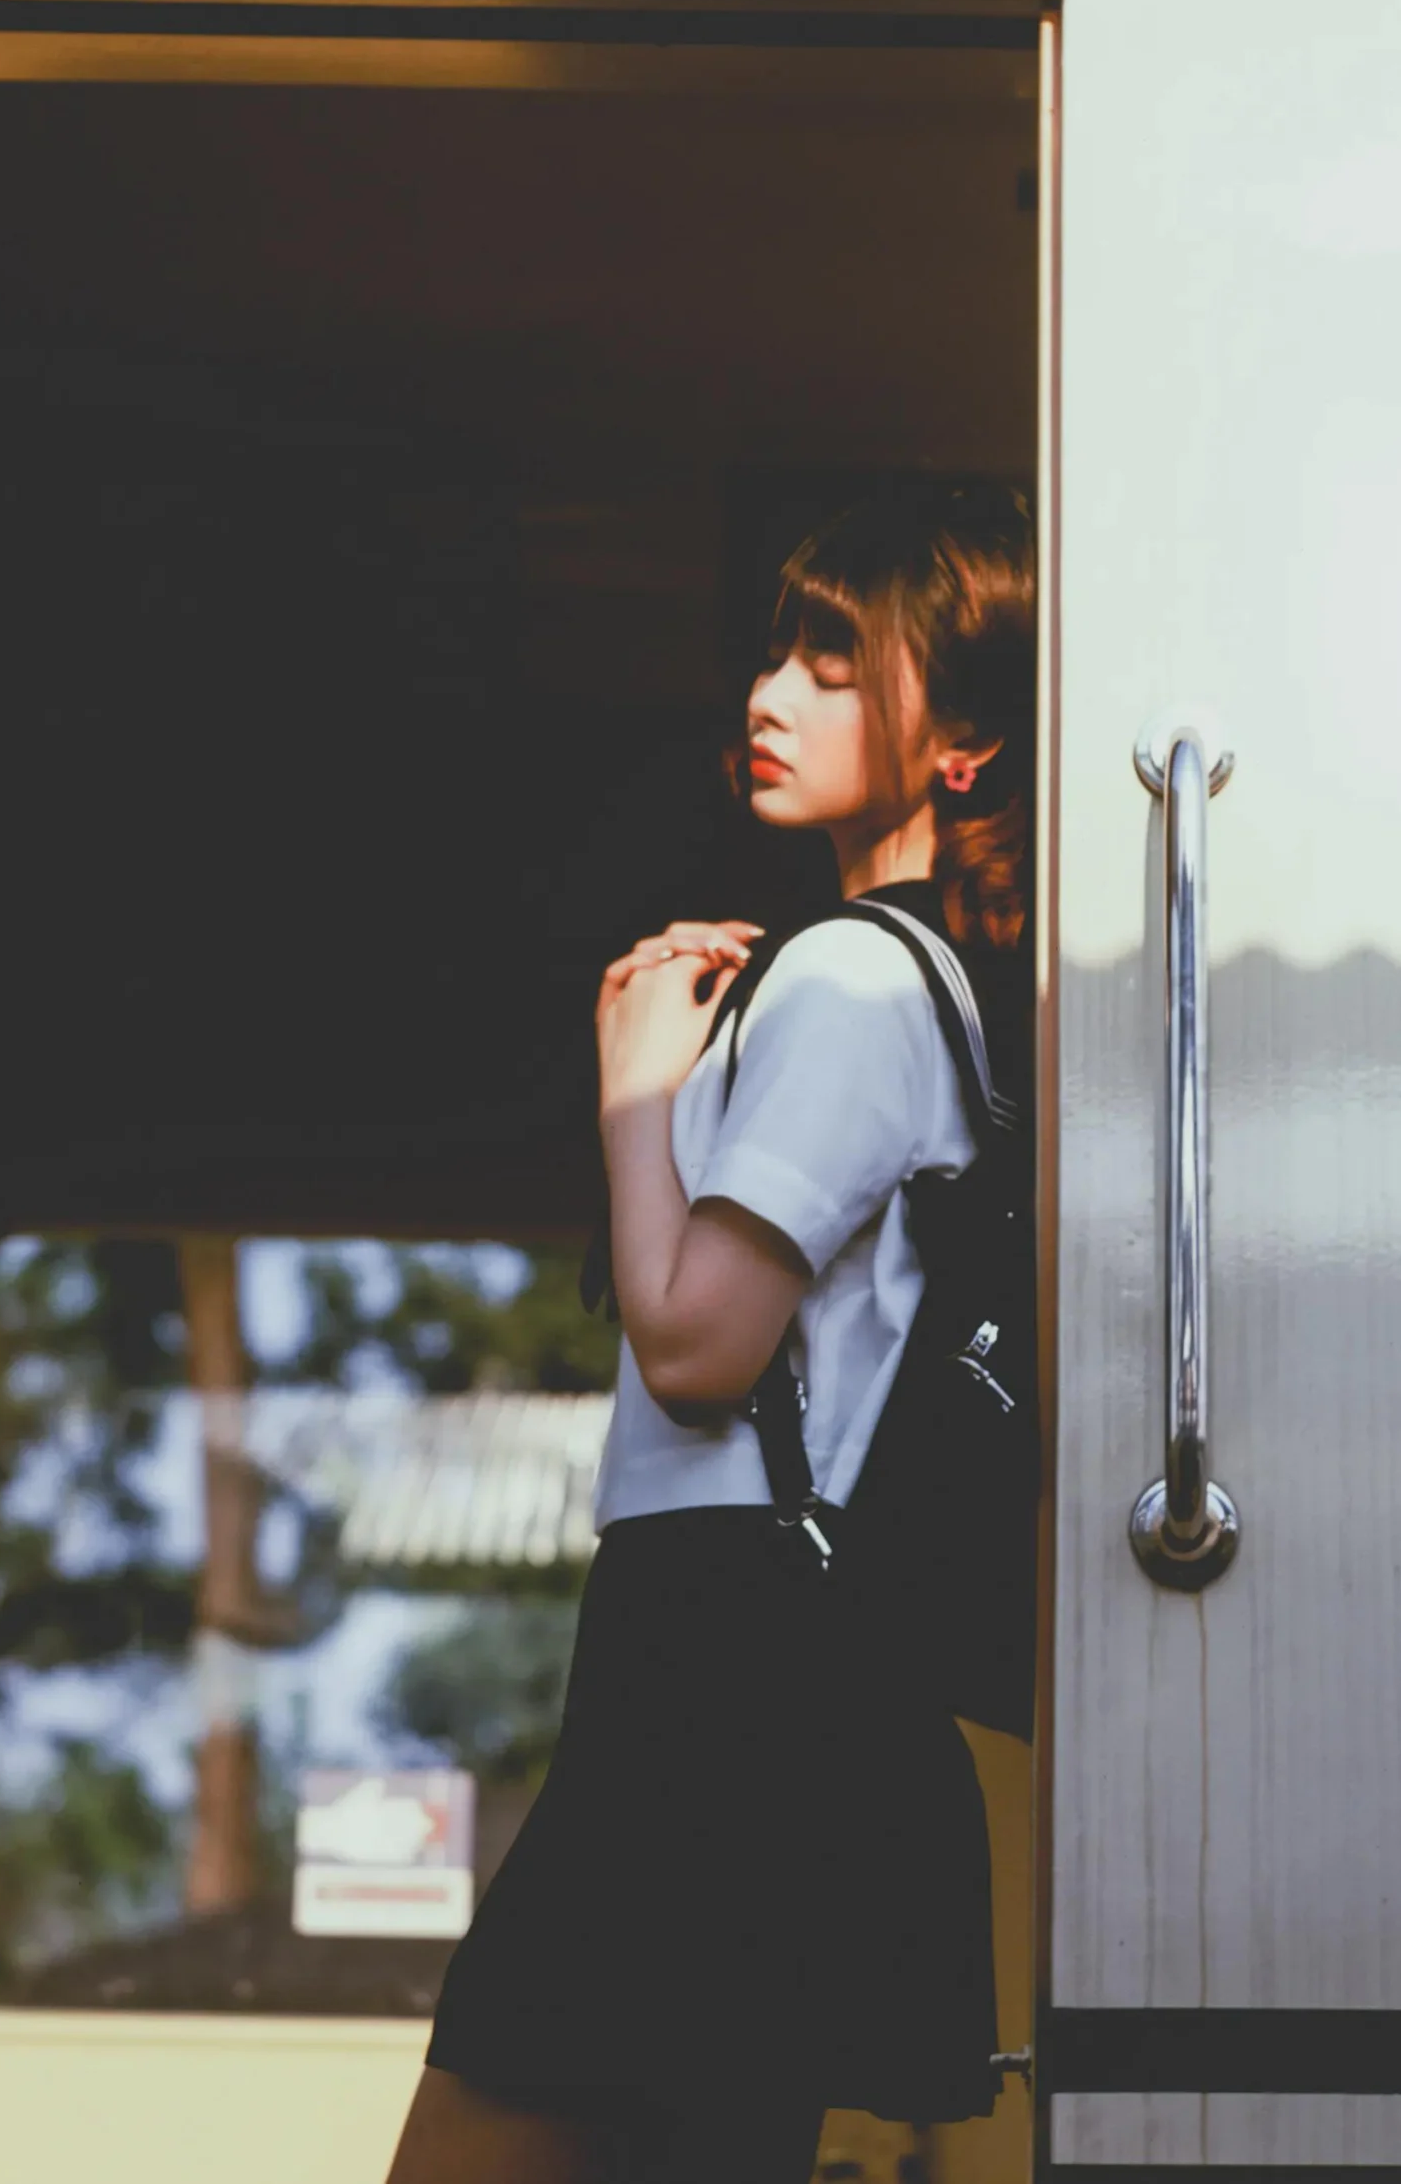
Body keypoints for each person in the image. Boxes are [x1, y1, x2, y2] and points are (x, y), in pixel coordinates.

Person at [385, 484, 1036, 2184]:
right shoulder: (937, 988)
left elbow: (696, 1348)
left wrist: (636, 1083)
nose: (769, 694)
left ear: (963, 740)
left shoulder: (851, 980)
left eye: (833, 664)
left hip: (721, 1663)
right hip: (799, 1669)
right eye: (775, 654)